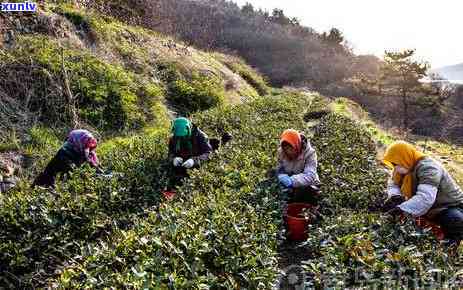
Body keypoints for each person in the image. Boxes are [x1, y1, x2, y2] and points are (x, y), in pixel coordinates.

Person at [382, 141, 463, 242]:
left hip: (447, 206)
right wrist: (395, 196)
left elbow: (425, 198)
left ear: (404, 157)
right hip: (429, 208)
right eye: (393, 164)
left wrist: (401, 209)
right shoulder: (404, 166)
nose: (396, 168)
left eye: (396, 164)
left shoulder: (429, 168)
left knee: (454, 220)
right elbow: (393, 184)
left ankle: (450, 247)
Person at [33, 129, 103, 187]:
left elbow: (90, 161)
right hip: (49, 184)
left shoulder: (82, 149)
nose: (87, 148)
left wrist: (98, 169)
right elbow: (74, 173)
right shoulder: (65, 153)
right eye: (86, 145)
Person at [276, 129, 320, 204]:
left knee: (304, 193)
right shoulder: (281, 152)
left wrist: (291, 181)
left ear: (296, 144)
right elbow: (280, 166)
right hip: (290, 179)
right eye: (286, 148)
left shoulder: (310, 153)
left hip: (308, 184)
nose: (288, 151)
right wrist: (281, 174)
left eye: (291, 148)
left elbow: (310, 176)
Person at [168, 117, 213, 184]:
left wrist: (194, 161)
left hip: (197, 163)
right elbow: (171, 152)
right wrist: (173, 159)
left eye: (183, 136)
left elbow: (209, 153)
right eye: (179, 136)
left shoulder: (200, 136)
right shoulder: (174, 137)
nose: (181, 138)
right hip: (182, 163)